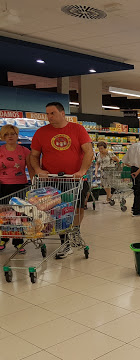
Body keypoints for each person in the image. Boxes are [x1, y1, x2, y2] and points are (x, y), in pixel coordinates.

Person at [30, 101, 94, 259]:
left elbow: (89, 152)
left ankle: (75, 231)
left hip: (75, 179)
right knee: (59, 212)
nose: (49, 117)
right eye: (47, 114)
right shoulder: (41, 132)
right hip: (51, 180)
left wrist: (82, 171)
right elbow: (34, 155)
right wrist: (38, 170)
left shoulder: (77, 129)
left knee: (78, 208)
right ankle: (65, 242)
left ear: (63, 113)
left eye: (52, 113)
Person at [0, 124, 35, 254]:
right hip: (2, 187)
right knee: (4, 215)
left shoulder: (24, 151)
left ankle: (18, 242)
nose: (10, 136)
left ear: (17, 135)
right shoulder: (0, 150)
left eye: (13, 134)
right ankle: (3, 238)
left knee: (18, 215)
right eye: (7, 134)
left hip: (19, 186)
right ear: (3, 136)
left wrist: (34, 184)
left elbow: (31, 168)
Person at [123, 133, 140, 216]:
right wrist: (138, 172)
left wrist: (133, 168)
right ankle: (137, 211)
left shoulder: (132, 146)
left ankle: (135, 208)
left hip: (133, 169)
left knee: (136, 190)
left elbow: (124, 161)